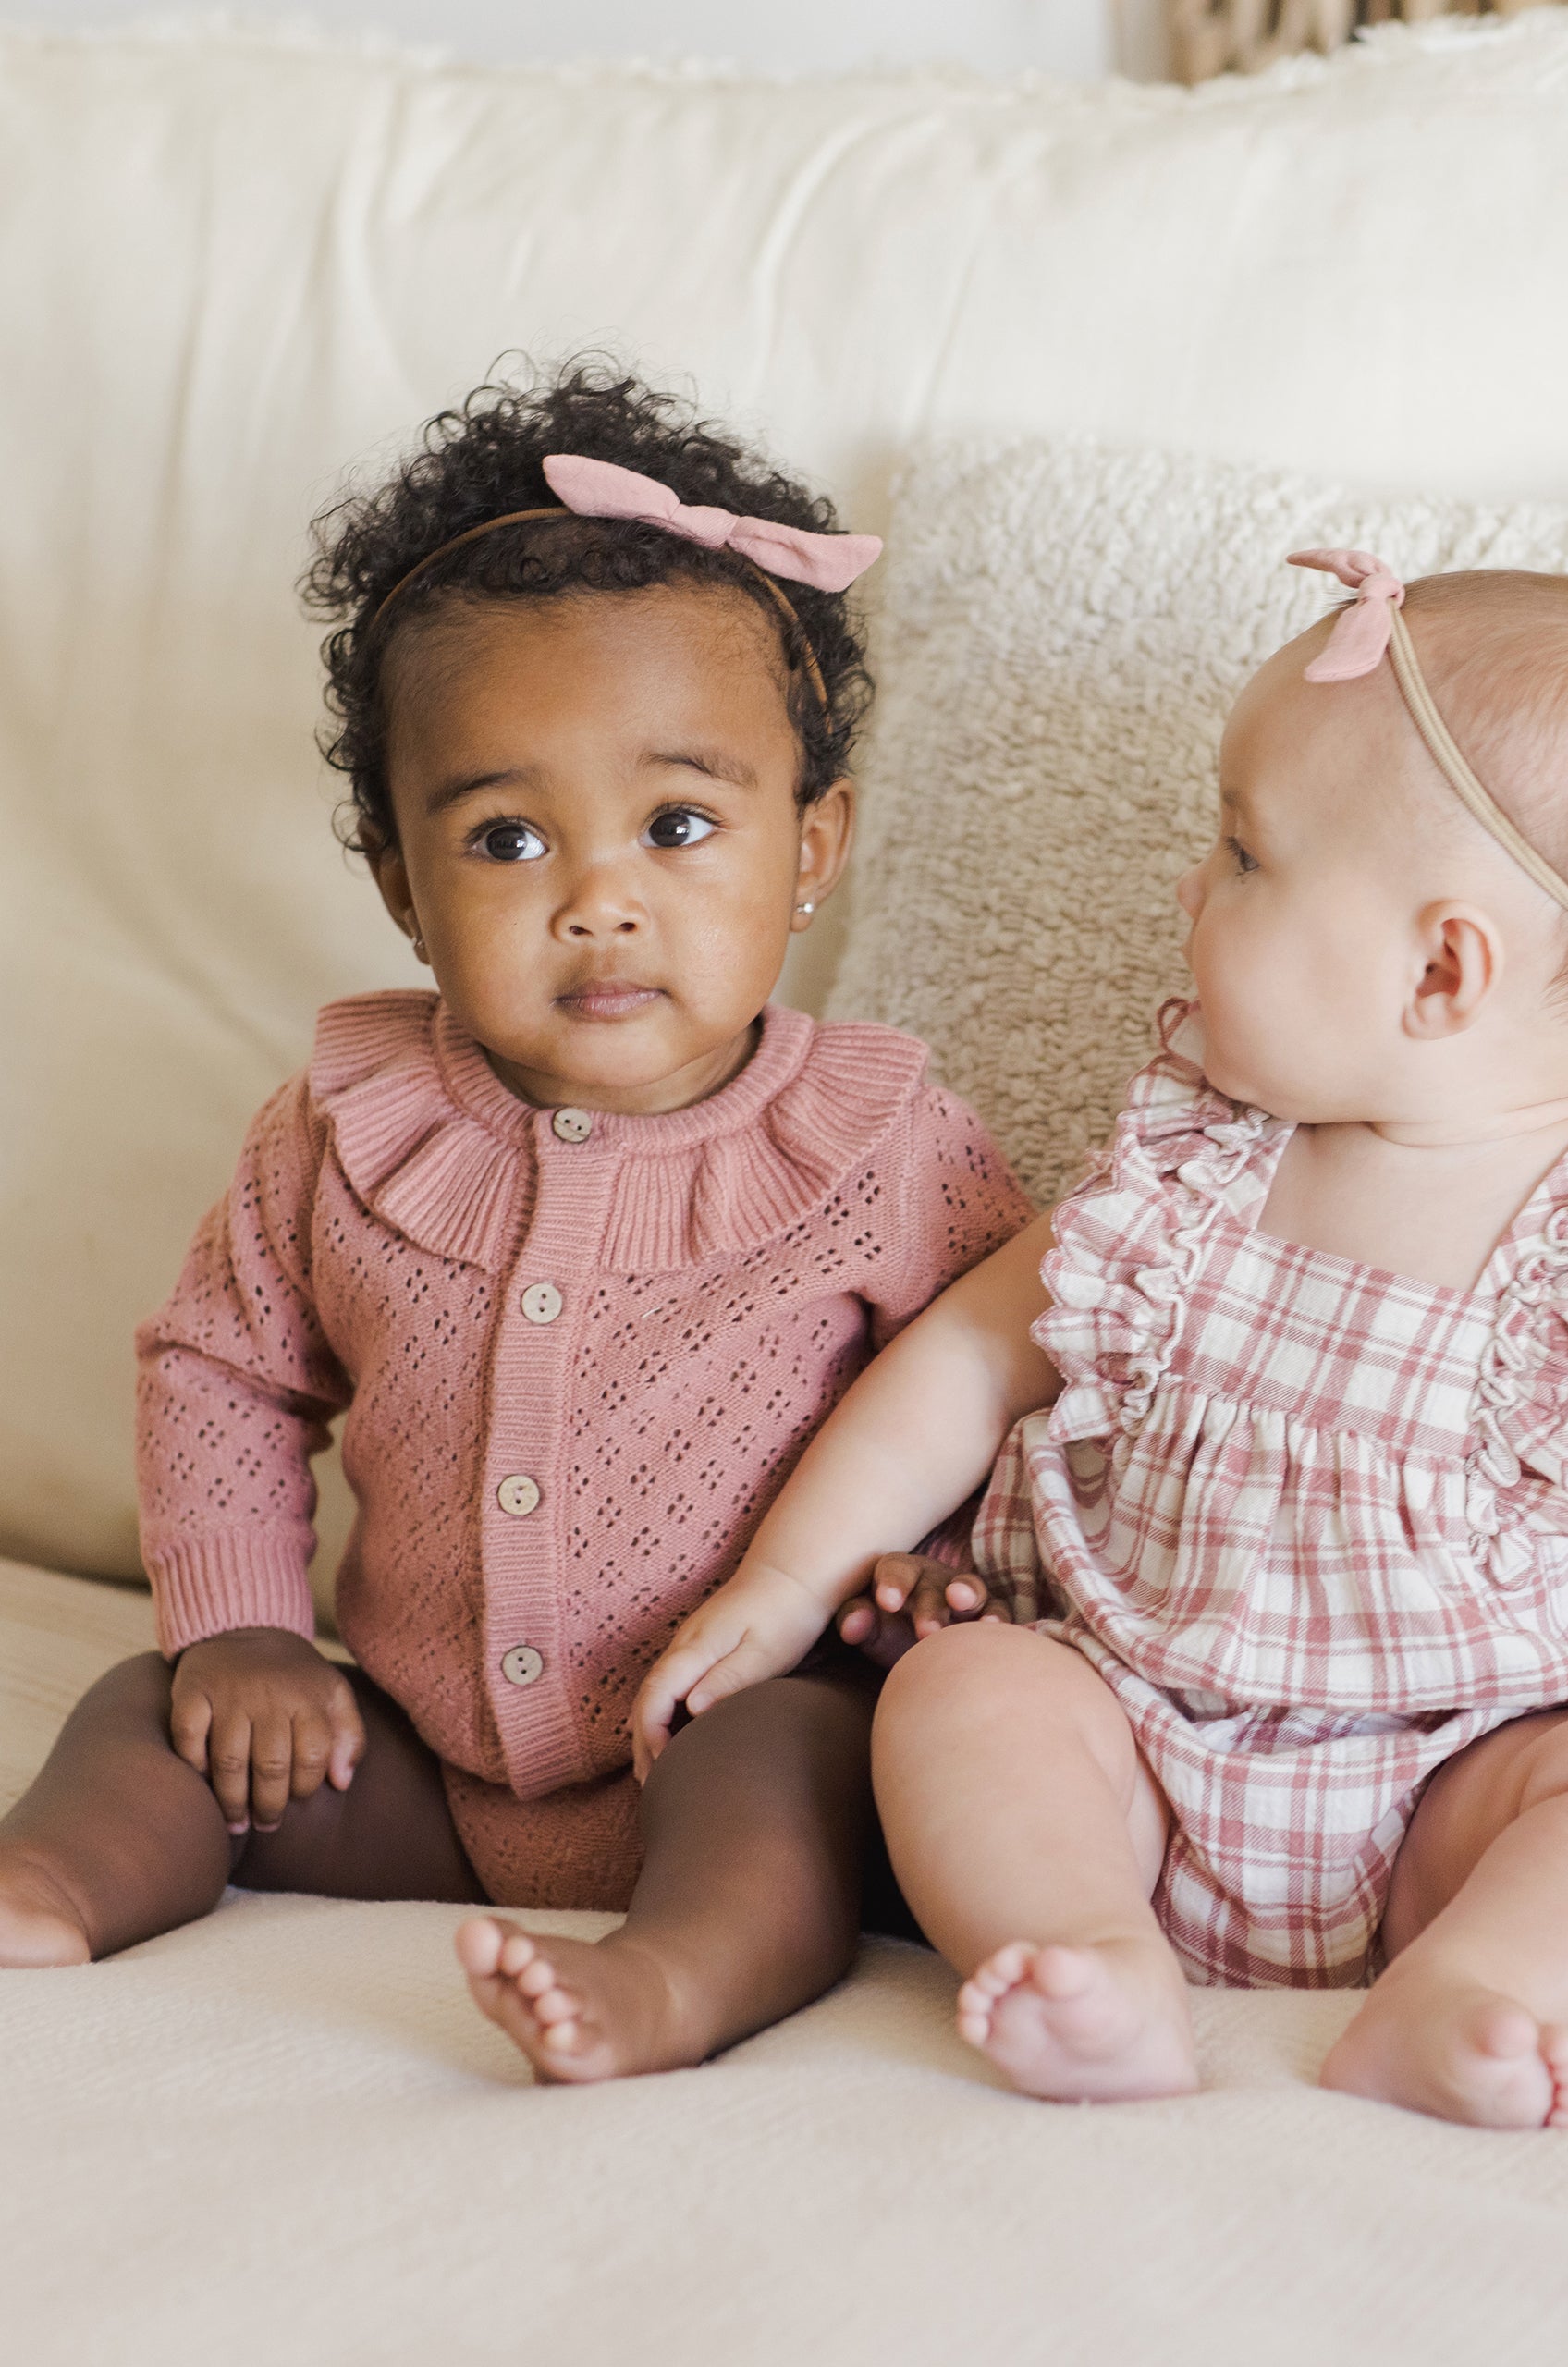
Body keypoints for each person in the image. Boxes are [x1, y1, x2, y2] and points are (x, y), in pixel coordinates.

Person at [633, 551, 1568, 2128]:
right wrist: (783, 1582)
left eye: (1241, 854)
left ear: (1442, 969)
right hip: (1135, 1751)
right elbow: (963, 1365)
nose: (1189, 891)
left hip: (1462, 1794)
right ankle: (1089, 1955)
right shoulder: (1187, 1172)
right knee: (966, 1692)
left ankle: (1474, 1985)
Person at [0, 362, 1028, 2085]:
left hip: (732, 1737)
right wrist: (244, 1630)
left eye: (679, 825)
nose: (599, 899)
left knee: (789, 1769)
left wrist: (945, 1577)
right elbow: (219, 1375)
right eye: (505, 838)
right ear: (402, 885)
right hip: (421, 1769)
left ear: (813, 846)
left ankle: (671, 1979)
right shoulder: (343, 1129)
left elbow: (1011, 1386)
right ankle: (55, 1880)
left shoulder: (886, 1144)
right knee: (151, 1710)